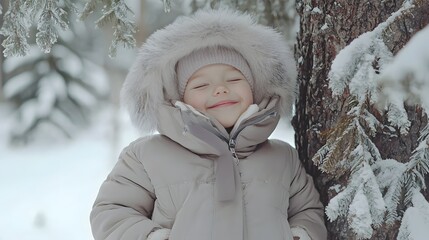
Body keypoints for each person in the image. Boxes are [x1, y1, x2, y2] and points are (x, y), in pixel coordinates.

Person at [90, 8, 327, 240]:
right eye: (201, 85)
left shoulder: (282, 158)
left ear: (255, 89)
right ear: (179, 99)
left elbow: (307, 210)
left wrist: (301, 234)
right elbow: (112, 212)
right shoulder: (146, 156)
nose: (220, 89)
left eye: (234, 79)